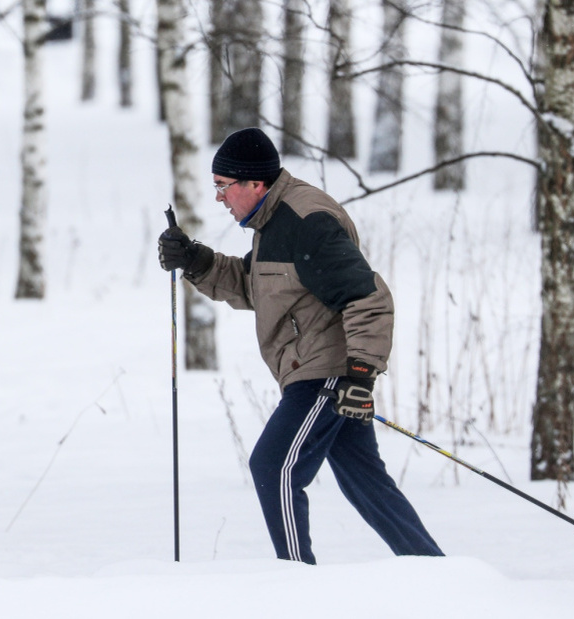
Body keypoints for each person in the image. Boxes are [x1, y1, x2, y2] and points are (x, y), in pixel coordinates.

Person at [157, 127, 443, 564]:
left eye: (223, 187)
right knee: (367, 484)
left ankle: (296, 584)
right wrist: (196, 260)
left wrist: (361, 375)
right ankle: (434, 574)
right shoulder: (272, 224)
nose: (219, 198)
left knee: (274, 468)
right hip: (318, 372)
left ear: (255, 183)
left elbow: (368, 297)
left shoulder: (306, 221)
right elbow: (254, 287)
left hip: (325, 374)